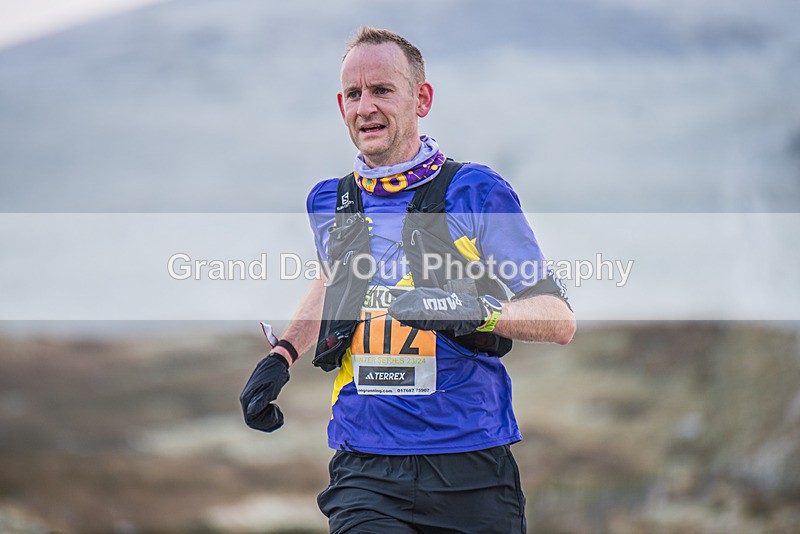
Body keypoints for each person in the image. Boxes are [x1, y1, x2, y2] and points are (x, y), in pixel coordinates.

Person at [240, 27, 576, 534]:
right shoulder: (330, 202)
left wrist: (473, 311)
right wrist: (283, 353)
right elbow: (335, 277)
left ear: (421, 99)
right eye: (353, 94)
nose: (365, 106)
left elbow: (558, 318)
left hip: (471, 466)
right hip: (365, 468)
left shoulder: (475, 192)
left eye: (381, 90)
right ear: (340, 105)